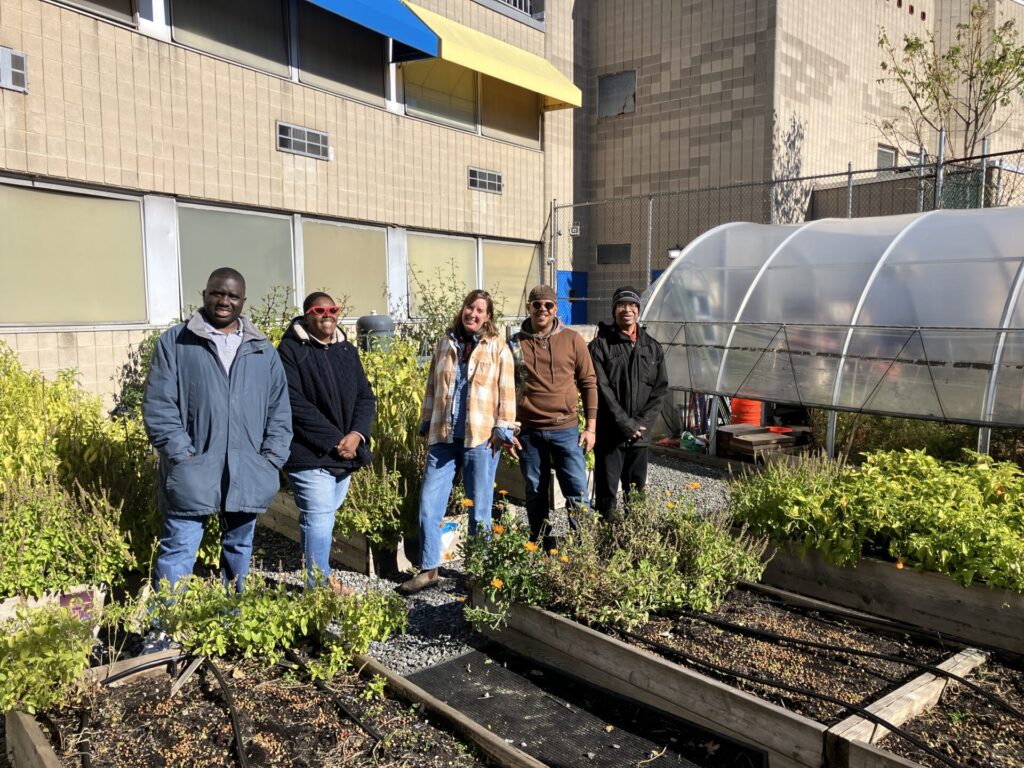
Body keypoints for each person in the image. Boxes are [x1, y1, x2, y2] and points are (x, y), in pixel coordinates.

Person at [142, 267, 292, 595]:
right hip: (193, 469)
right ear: (205, 294)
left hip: (248, 469)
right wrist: (181, 453)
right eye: (217, 293)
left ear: (243, 301)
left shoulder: (262, 349)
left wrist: (270, 458)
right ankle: (166, 627)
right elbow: (159, 405)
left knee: (239, 548)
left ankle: (231, 617)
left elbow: (279, 410)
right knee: (179, 547)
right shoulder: (176, 342)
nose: (224, 301)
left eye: (232, 296)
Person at [398, 290, 517, 595]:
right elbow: (431, 386)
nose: (473, 314)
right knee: (429, 504)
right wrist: (427, 420)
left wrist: (502, 430)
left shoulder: (498, 349)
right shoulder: (445, 345)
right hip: (444, 437)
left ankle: (479, 573)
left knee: (480, 510)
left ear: (487, 316)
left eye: (480, 310)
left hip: (481, 438)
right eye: (470, 307)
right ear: (462, 310)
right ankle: (428, 569)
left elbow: (507, 393)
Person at [277, 292, 376, 589]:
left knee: (322, 518)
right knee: (319, 518)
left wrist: (356, 435)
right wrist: (337, 441)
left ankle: (316, 579)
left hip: (346, 451)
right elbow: (293, 404)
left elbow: (365, 396)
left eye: (332, 309)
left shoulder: (346, 349)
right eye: (320, 310)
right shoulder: (290, 351)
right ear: (307, 314)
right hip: (308, 452)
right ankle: (319, 585)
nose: (327, 314)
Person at [509, 285, 597, 547]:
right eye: (537, 305)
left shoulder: (572, 340)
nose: (542, 310)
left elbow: (589, 382)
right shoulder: (514, 344)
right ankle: (539, 544)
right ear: (529, 308)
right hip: (529, 431)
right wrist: (508, 429)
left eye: (548, 305)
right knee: (535, 492)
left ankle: (583, 547)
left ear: (555, 308)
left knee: (577, 492)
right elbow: (502, 387)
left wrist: (590, 427)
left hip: (566, 428)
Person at [588, 286, 668, 519]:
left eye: (632, 305)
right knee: (607, 494)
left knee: (636, 494)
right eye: (622, 305)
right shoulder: (600, 346)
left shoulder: (652, 347)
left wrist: (641, 424)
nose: (627, 310)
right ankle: (608, 544)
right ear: (614, 310)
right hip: (611, 435)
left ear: (638, 310)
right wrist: (626, 424)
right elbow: (602, 390)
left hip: (638, 437)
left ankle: (634, 543)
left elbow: (660, 390)